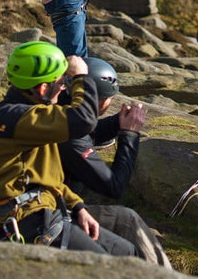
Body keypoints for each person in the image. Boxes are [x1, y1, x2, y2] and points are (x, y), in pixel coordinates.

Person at [0, 41, 136, 256]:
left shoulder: (26, 116)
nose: (65, 87)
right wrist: (80, 78)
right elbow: (83, 121)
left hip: (43, 210)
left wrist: (78, 207)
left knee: (126, 252)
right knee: (108, 267)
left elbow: (45, 179)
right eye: (62, 82)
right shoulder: (20, 118)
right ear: (42, 88)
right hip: (26, 220)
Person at [58, 57, 171, 266]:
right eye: (110, 98)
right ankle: (164, 273)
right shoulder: (71, 135)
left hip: (63, 205)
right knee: (127, 222)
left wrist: (117, 123)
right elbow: (115, 186)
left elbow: (90, 132)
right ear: (98, 99)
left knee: (125, 220)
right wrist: (129, 135)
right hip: (56, 213)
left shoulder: (61, 112)